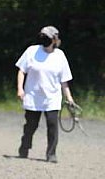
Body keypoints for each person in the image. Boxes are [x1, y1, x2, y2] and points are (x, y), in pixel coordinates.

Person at [15, 25, 74, 163]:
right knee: (30, 126)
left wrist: (69, 98)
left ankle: (51, 154)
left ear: (54, 39)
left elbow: (64, 81)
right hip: (33, 97)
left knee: (53, 127)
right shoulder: (31, 51)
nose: (43, 39)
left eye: (46, 37)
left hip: (52, 98)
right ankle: (24, 147)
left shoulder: (60, 56)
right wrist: (20, 89)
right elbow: (21, 71)